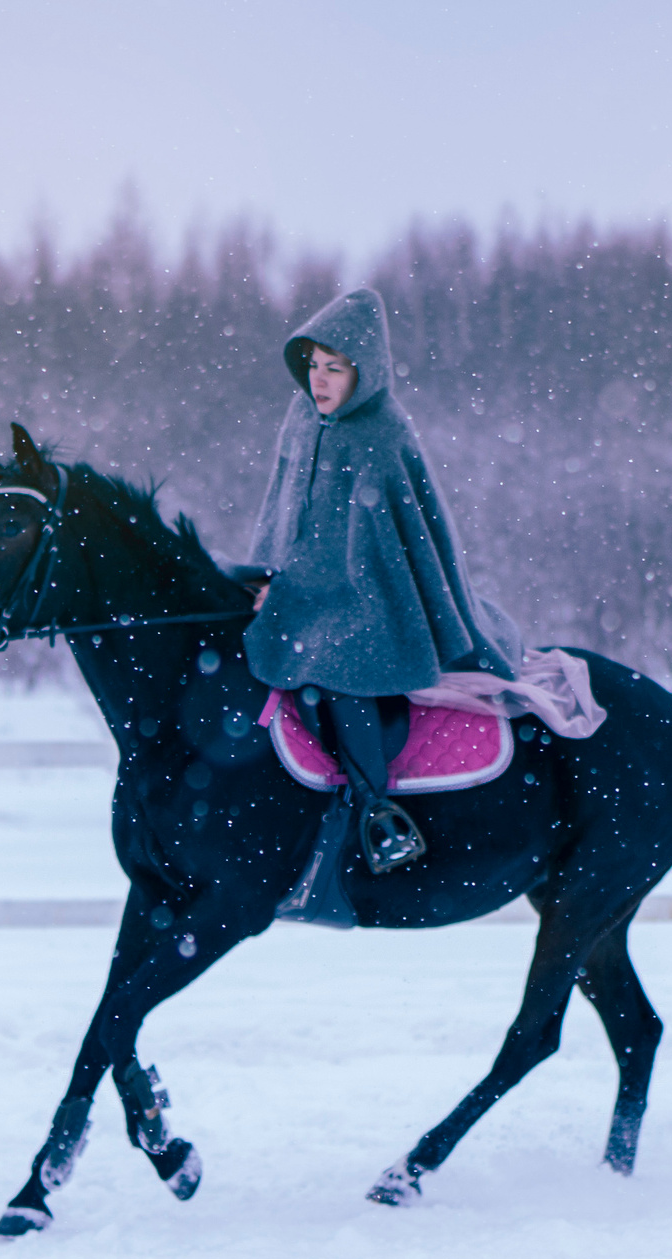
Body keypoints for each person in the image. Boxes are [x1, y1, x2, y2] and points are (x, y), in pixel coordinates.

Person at [236, 286, 523, 875]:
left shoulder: (381, 431)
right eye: (314, 366)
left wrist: (309, 598)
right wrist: (266, 575)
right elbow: (282, 510)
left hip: (372, 602)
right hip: (297, 591)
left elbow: (395, 544)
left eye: (335, 368)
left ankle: (377, 813)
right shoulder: (300, 419)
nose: (320, 380)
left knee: (343, 673)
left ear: (362, 371)